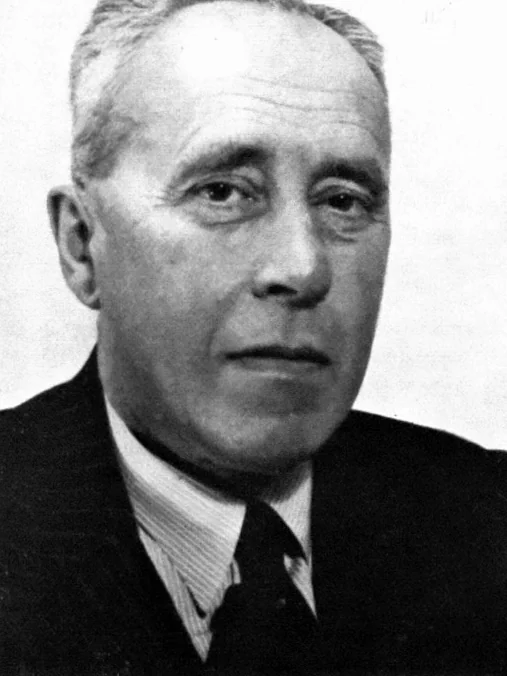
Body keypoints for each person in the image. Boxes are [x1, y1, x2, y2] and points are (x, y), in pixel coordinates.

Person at [1, 0, 506, 674]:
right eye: (222, 192)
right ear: (82, 245)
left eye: (343, 200)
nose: (303, 268)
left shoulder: (486, 519)